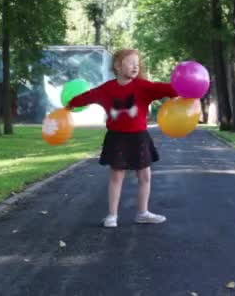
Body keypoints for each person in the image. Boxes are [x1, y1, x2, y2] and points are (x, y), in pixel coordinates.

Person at [67, 49, 177, 228]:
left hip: (139, 137)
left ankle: (142, 213)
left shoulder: (143, 86)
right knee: (116, 177)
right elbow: (88, 96)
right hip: (117, 138)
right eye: (131, 62)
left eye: (137, 63)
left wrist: (185, 89)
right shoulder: (107, 88)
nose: (136, 66)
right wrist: (71, 104)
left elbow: (165, 88)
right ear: (118, 65)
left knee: (145, 176)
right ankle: (112, 216)